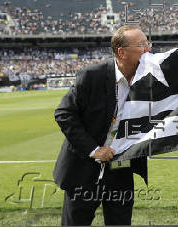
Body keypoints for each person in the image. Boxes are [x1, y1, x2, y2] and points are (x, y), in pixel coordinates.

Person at [53, 25, 150, 225]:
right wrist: (94, 150)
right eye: (141, 44)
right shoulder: (92, 75)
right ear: (121, 52)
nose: (148, 49)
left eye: (147, 43)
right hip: (83, 169)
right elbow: (64, 113)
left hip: (120, 169)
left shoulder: (149, 80)